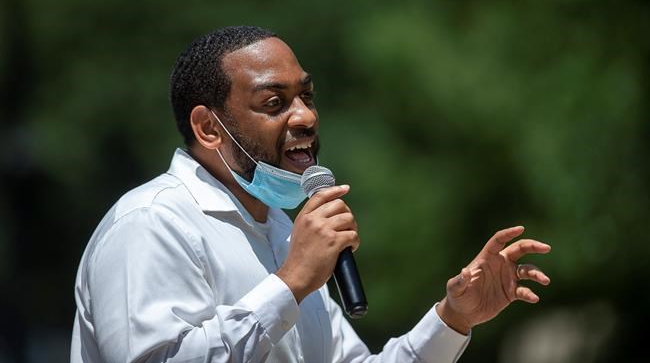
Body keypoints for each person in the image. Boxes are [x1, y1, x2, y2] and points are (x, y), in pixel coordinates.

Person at [70, 26, 551, 363]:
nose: (306, 117)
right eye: (274, 102)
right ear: (209, 128)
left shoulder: (284, 232)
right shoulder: (151, 224)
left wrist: (453, 319)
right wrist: (291, 282)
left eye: (307, 96)